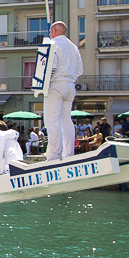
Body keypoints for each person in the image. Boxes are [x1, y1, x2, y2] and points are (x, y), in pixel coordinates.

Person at [43, 21, 84, 161]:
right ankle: (69, 154)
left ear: (54, 30)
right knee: (66, 120)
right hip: (70, 85)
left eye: (50, 31)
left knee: (51, 121)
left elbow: (51, 66)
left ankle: (54, 156)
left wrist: (44, 84)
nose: (49, 34)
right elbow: (80, 70)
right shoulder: (74, 47)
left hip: (56, 83)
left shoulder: (53, 44)